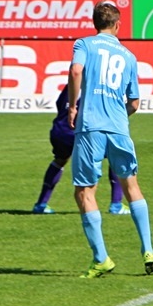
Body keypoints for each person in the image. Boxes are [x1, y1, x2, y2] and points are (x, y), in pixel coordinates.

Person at [68, 0, 153, 278]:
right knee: (131, 186)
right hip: (119, 127)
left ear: (94, 23)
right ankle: (148, 250)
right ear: (118, 25)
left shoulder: (84, 44)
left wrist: (73, 106)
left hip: (91, 125)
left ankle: (101, 259)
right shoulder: (128, 55)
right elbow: (135, 102)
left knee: (84, 191)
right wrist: (118, 117)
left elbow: (75, 71)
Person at [32, 84, 129, 215]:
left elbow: (59, 103)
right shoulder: (98, 86)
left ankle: (41, 204)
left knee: (60, 160)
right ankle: (116, 205)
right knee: (116, 157)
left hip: (60, 130)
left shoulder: (71, 85)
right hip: (82, 132)